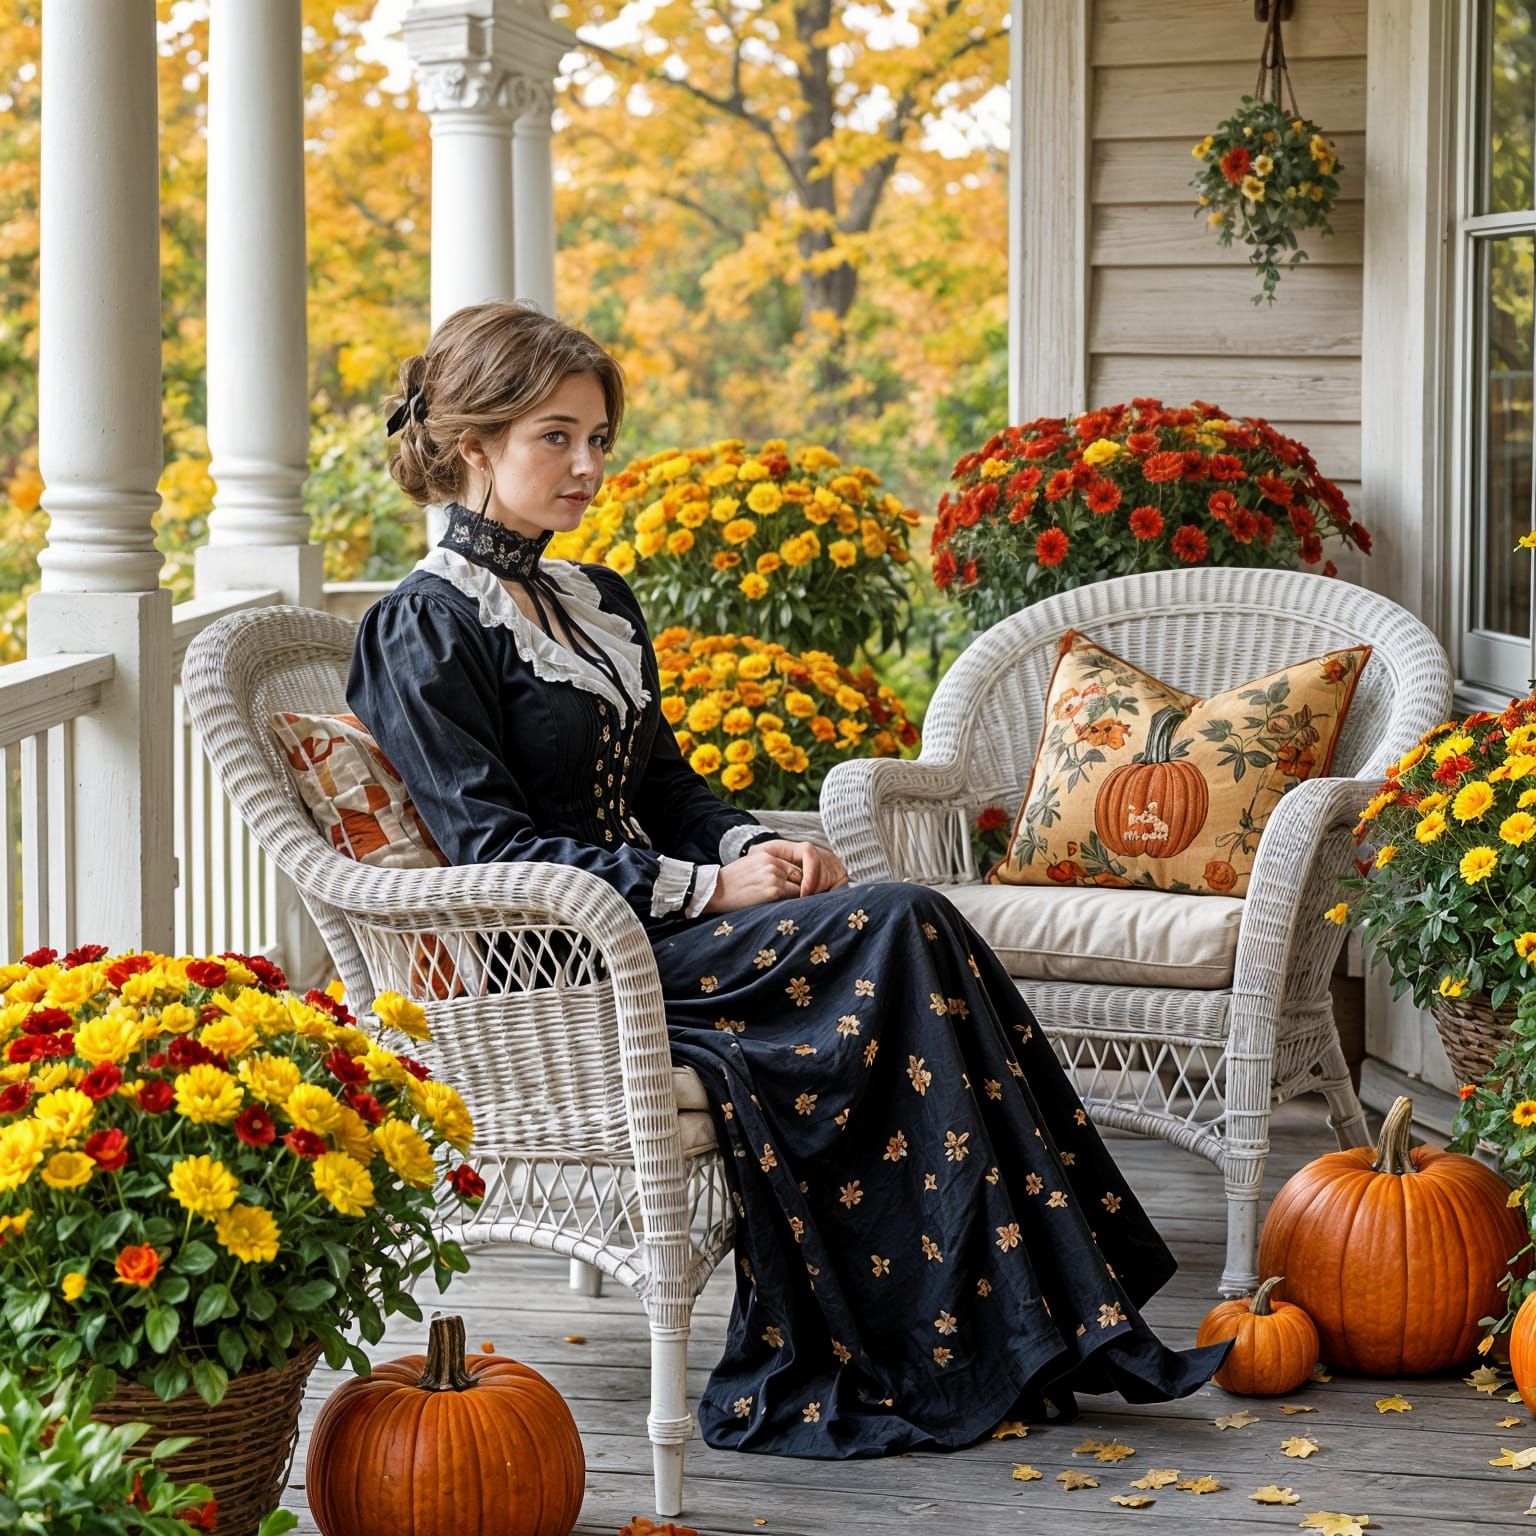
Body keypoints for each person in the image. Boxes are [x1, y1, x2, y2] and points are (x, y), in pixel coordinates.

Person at [347, 300, 1230, 1459]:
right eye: (556, 437)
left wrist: (743, 849)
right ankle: (1044, 1322)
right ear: (475, 446)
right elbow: (494, 855)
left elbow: (671, 786)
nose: (589, 466)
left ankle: (1033, 1326)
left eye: (599, 438)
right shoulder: (424, 626)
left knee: (907, 927)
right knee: (908, 919)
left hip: (660, 923)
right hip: (566, 959)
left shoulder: (592, 603)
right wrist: (713, 893)